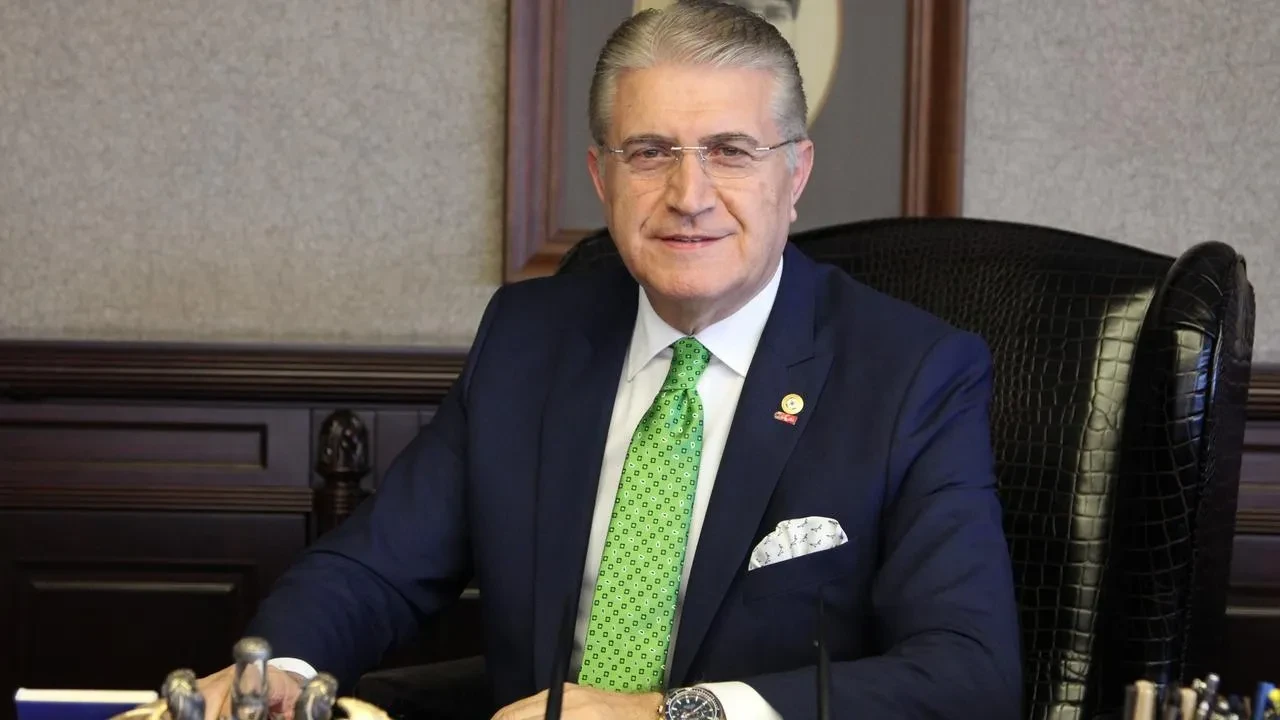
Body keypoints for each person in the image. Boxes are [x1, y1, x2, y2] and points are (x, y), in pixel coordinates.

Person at [195, 2, 1022, 718]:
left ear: (795, 172)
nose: (689, 195)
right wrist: (284, 671)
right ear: (602, 176)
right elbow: (375, 568)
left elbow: (968, 674)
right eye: (650, 152)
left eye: (731, 151)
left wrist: (670, 714)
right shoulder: (529, 338)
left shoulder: (912, 374)